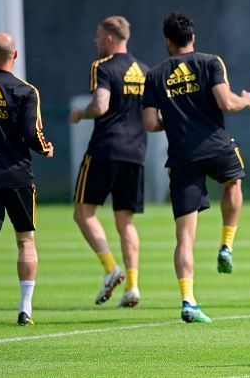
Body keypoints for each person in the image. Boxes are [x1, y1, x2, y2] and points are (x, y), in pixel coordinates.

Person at [143, 12, 250, 323]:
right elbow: (226, 103)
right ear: (193, 37)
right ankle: (227, 245)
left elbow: (151, 123)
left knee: (185, 237)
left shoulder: (153, 75)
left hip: (181, 156)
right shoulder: (210, 62)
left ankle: (188, 299)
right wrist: (247, 100)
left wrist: (177, 118)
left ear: (167, 41)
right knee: (233, 181)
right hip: (216, 146)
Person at [70, 16, 148, 308]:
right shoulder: (145, 71)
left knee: (83, 212)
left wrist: (81, 113)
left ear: (110, 38)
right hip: (136, 153)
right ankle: (133, 286)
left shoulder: (101, 67)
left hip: (105, 150)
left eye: (98, 35)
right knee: (125, 220)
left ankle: (109, 267)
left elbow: (100, 105)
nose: (95, 40)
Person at [0, 33, 54, 329]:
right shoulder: (25, 91)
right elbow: (31, 133)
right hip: (17, 176)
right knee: (25, 240)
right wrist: (45, 148)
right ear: (16, 55)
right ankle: (25, 309)